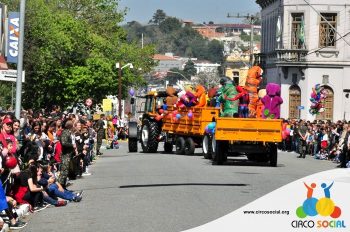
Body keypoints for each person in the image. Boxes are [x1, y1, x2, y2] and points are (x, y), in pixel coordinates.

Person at [57, 119, 75, 188]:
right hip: (65, 155)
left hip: (68, 155)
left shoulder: (68, 132)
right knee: (63, 172)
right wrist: (71, 145)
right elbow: (64, 143)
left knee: (66, 172)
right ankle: (60, 187)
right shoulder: (65, 132)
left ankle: (63, 187)